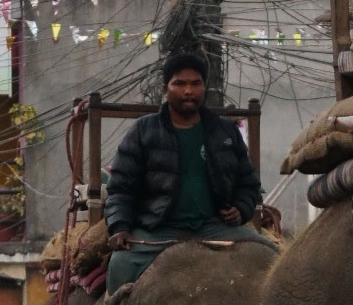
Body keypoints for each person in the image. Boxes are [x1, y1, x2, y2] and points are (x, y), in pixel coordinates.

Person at [104, 48, 263, 291]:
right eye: (179, 83)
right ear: (165, 88)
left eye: (195, 83)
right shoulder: (142, 131)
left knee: (270, 256)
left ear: (204, 88)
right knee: (120, 265)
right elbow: (120, 189)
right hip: (157, 230)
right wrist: (121, 227)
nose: (188, 91)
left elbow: (249, 183)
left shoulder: (225, 132)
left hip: (213, 227)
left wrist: (241, 209)